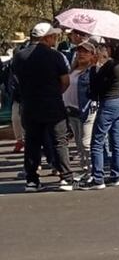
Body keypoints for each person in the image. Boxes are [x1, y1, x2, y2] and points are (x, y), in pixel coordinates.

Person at [12, 23, 74, 192]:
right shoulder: (55, 56)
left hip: (29, 103)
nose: (55, 39)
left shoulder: (19, 56)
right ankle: (66, 177)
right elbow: (65, 81)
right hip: (52, 102)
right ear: (46, 38)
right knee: (59, 141)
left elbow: (16, 79)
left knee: (32, 142)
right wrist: (55, 92)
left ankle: (31, 179)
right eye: (53, 36)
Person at [80, 39, 119, 190]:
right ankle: (116, 175)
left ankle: (98, 178)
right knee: (117, 141)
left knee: (97, 141)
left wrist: (93, 69)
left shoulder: (111, 65)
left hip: (109, 101)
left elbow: (97, 85)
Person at [62, 40, 96, 175]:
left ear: (92, 55)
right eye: (79, 51)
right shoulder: (73, 70)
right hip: (71, 109)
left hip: (86, 109)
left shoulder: (92, 71)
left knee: (86, 142)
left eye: (85, 52)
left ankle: (92, 169)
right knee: (78, 143)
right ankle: (84, 168)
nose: (81, 54)